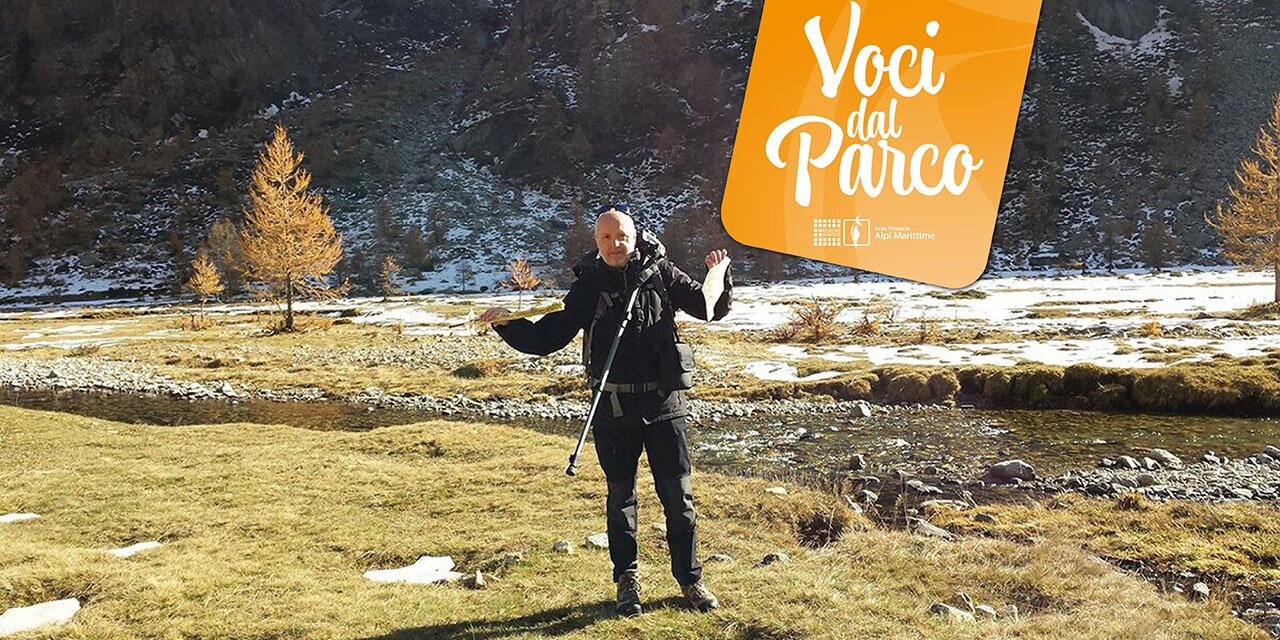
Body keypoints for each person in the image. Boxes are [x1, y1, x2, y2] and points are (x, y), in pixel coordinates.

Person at [479, 204, 732, 617]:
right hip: (612, 408)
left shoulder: (661, 272)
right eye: (606, 238)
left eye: (622, 237)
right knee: (621, 499)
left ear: (634, 237)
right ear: (597, 242)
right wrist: (508, 324)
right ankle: (627, 581)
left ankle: (690, 580)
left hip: (664, 405)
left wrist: (719, 274)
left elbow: (709, 308)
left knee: (679, 498)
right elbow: (548, 337)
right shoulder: (589, 287)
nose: (615, 245)